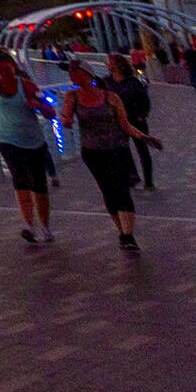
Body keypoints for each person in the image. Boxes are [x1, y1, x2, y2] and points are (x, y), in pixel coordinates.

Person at [63, 60, 161, 253]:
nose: (71, 75)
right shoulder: (72, 96)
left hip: (117, 148)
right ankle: (122, 232)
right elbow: (66, 118)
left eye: (75, 71)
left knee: (121, 189)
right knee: (107, 190)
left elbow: (124, 126)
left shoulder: (110, 97)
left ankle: (128, 235)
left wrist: (145, 137)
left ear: (87, 74)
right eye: (70, 72)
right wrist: (65, 119)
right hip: (92, 153)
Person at [0, 51, 56, 244]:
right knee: (20, 181)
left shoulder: (26, 85)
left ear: (13, 66)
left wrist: (38, 105)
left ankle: (45, 227)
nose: (2, 74)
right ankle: (28, 225)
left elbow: (51, 112)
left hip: (33, 140)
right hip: (7, 140)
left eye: (5, 69)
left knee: (39, 184)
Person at [114, 48, 159, 189]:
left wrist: (142, 115)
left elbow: (144, 99)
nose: (107, 64)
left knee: (142, 150)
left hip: (136, 119)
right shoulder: (108, 82)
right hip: (119, 120)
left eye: (110, 62)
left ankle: (148, 180)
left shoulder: (133, 81)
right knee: (123, 149)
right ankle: (133, 175)